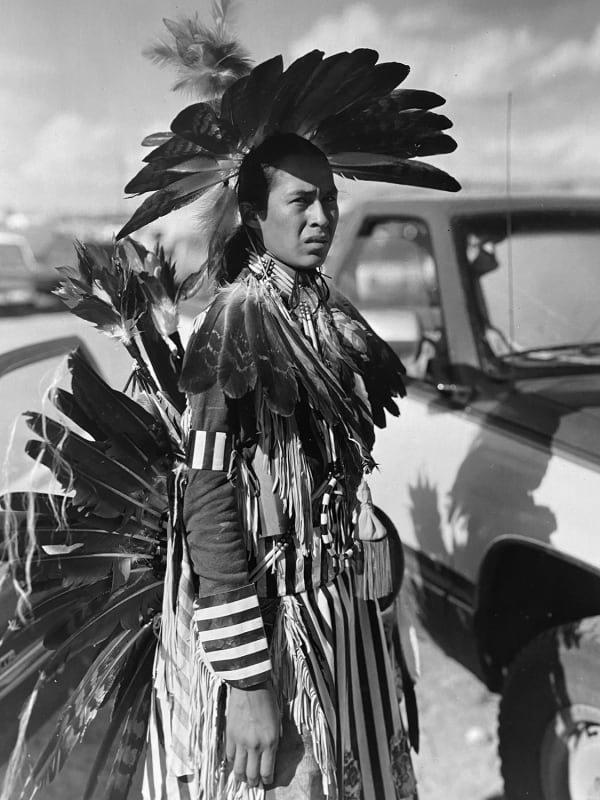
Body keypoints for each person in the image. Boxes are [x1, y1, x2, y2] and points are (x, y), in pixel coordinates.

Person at [0, 10, 459, 800]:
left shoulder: (324, 312)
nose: (320, 218)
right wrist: (248, 683)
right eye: (299, 203)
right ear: (253, 215)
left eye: (328, 201)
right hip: (274, 642)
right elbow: (208, 500)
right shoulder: (236, 325)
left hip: (337, 624)